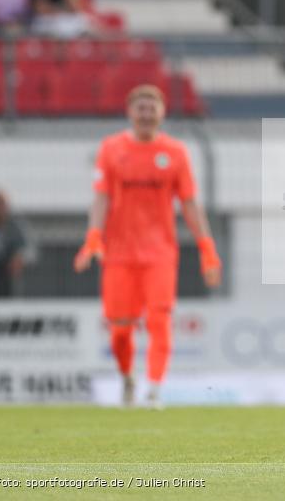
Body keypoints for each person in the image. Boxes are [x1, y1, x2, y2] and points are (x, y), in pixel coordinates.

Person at [74, 84, 222, 408]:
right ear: (130, 112)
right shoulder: (111, 149)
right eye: (140, 108)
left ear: (161, 112)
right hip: (119, 254)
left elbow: (190, 203)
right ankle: (128, 377)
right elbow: (101, 197)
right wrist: (93, 237)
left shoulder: (176, 152)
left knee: (159, 319)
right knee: (120, 330)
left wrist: (206, 246)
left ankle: (154, 390)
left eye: (151, 107)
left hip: (160, 253)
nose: (145, 113)